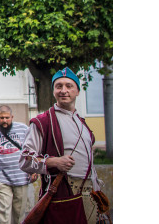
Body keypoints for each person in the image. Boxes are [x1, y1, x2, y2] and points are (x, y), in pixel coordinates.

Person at [19, 68, 105, 224]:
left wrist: (97, 190)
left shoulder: (82, 124)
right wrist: (53, 162)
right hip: (63, 196)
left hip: (89, 196)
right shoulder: (43, 122)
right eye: (58, 86)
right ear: (53, 91)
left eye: (69, 86)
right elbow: (24, 160)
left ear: (78, 91)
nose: (63, 90)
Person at [0, 105, 37, 224]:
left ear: (12, 117)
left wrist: (33, 170)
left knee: (19, 213)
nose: (5, 120)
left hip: (21, 176)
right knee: (3, 213)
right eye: (1, 118)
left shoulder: (23, 129)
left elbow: (32, 149)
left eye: (7, 117)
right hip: (1, 178)